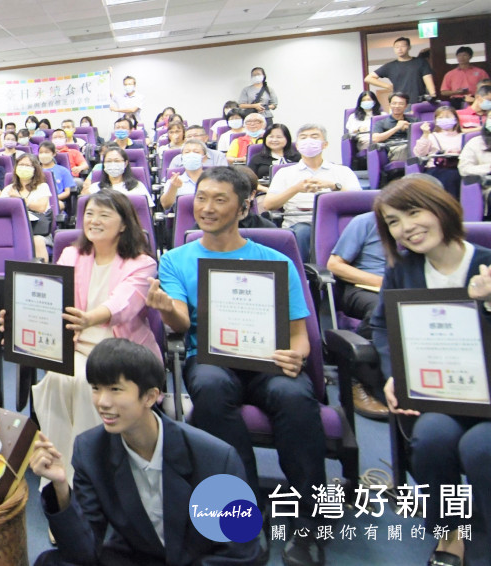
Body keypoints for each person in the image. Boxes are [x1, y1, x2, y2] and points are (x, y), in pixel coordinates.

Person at [146, 166, 327, 566]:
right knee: (209, 386)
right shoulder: (176, 260)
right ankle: (243, 506)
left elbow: (299, 332)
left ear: (244, 207)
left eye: (219, 199)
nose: (206, 208)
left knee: (293, 394)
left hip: (268, 359)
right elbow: (179, 321)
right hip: (211, 357)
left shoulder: (275, 260)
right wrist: (164, 310)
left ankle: (308, 520)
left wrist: (296, 353)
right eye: (202, 198)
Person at [30, 339, 262, 566]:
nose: (102, 402)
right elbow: (83, 553)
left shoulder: (215, 458)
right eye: (96, 389)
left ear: (150, 396)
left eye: (115, 389)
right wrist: (61, 487)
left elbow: (239, 553)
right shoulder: (90, 450)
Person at [374, 177, 491, 566]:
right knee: (431, 439)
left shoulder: (487, 262)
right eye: (393, 221)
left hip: (487, 397)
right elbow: (380, 328)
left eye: (413, 212)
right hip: (438, 395)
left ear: (441, 209)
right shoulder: (402, 271)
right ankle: (450, 534)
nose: (405, 227)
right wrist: (395, 373)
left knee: (480, 448)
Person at [24, 191, 159, 488]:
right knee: (57, 381)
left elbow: (124, 304)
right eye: (89, 214)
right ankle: (60, 483)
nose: (94, 221)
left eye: (104, 215)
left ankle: (92, 483)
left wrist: (89, 318)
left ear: (124, 224)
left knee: (87, 382)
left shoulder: (142, 262)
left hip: (120, 347)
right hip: (74, 343)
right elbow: (51, 294)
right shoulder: (73, 254)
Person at [324, 206, 388, 418]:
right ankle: (354, 376)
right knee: (383, 305)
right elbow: (335, 265)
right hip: (362, 287)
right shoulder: (365, 221)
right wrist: (383, 282)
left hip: (407, 288)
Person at [265, 123, 363, 261]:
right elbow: (269, 205)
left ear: (325, 144)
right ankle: (303, 275)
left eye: (314, 137)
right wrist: (296, 189)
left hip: (335, 223)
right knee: (304, 232)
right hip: (299, 223)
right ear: (297, 146)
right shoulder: (284, 173)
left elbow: (359, 201)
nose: (308, 141)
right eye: (303, 138)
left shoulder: (342, 171)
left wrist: (335, 186)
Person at [191, 166, 278, 231]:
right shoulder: (198, 230)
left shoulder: (267, 230)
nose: (208, 209)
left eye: (220, 200)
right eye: (201, 198)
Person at [3, 152, 52, 259]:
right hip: (14, 229)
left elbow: (41, 207)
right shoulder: (9, 189)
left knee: (37, 240)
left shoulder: (42, 187)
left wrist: (20, 200)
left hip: (38, 231)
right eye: (21, 165)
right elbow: (0, 209)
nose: (23, 168)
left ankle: (42, 274)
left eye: (27, 165)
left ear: (35, 169)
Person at [365, 36, 437, 104]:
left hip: (419, 101)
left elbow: (428, 78)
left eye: (403, 46)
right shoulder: (390, 66)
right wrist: (387, 86)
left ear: (409, 47)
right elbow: (368, 78)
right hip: (400, 103)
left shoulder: (420, 62)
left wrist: (433, 95)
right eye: (396, 47)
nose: (399, 49)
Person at [413, 106, 466, 198]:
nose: (444, 120)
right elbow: (419, 154)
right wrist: (425, 134)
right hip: (436, 168)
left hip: (460, 167)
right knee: (451, 177)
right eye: (440, 118)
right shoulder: (432, 136)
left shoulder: (464, 136)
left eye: (448, 117)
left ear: (455, 119)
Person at [86, 146, 150, 206]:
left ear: (125, 163)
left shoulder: (138, 186)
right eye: (108, 161)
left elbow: (146, 213)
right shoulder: (94, 188)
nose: (113, 164)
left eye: (117, 161)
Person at [159, 139, 209, 210]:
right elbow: (165, 205)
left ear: (204, 158)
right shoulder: (174, 181)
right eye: (187, 152)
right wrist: (173, 187)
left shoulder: (213, 180)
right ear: (182, 157)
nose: (191, 155)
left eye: (196, 152)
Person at [372, 91, 417, 162]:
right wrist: (397, 128)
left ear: (406, 106)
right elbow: (375, 139)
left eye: (401, 104)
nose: (397, 106)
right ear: (389, 105)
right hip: (394, 150)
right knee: (410, 149)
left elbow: (419, 138)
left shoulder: (414, 121)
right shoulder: (381, 122)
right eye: (394, 103)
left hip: (412, 146)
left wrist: (410, 129)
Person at [38, 141, 78, 211]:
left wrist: (52, 199)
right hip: (37, 200)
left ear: (54, 154)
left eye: (47, 152)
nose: (43, 155)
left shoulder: (63, 170)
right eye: (41, 153)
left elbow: (67, 192)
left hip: (57, 200)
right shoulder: (35, 170)